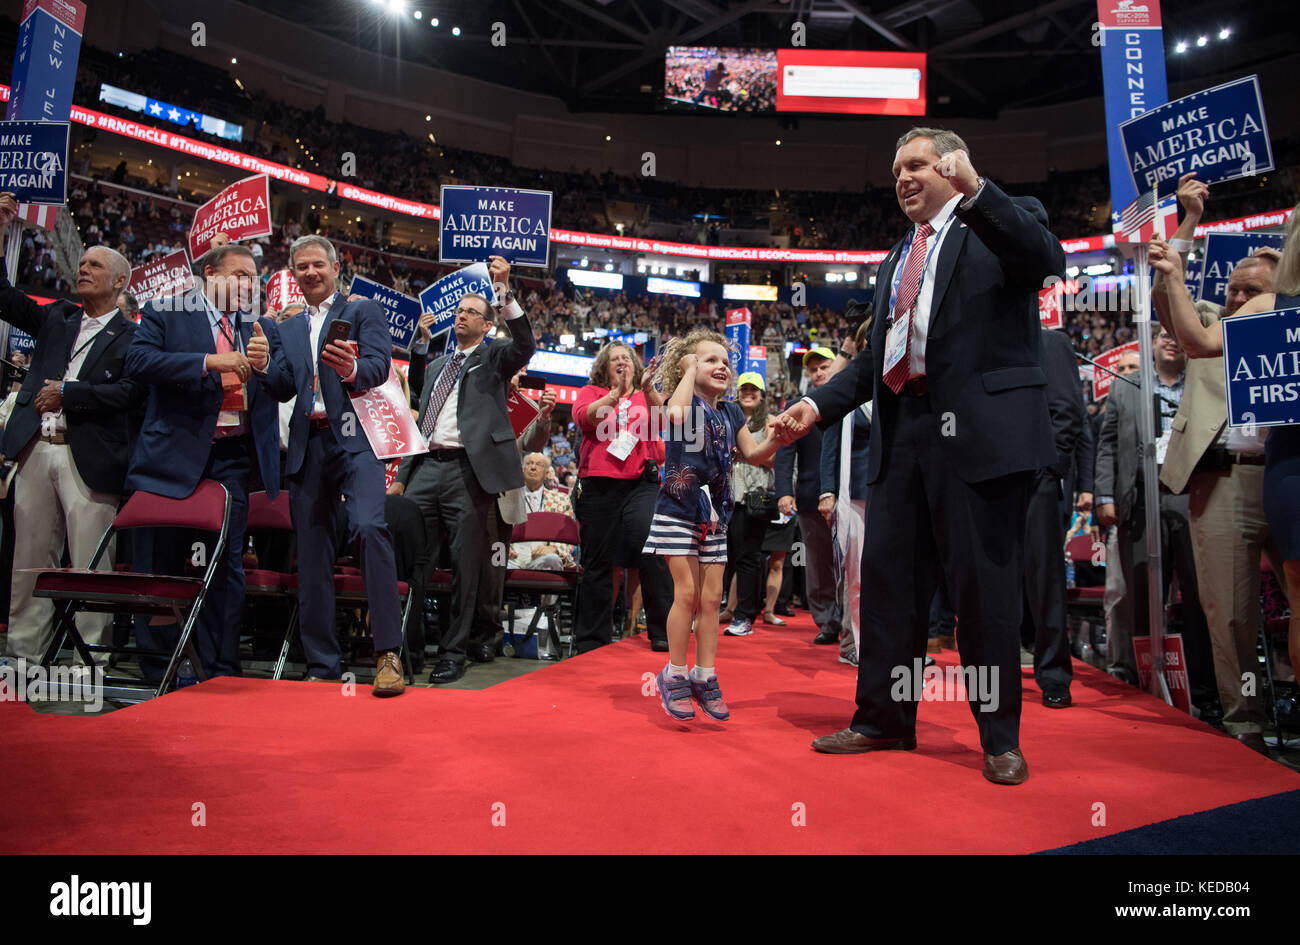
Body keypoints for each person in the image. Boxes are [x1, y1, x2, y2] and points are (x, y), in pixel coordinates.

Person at [777, 127, 1064, 785]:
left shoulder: (1000, 219)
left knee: (984, 594)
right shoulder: (896, 256)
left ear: (953, 165)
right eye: (896, 169)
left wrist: (976, 191)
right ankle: (883, 717)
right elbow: (880, 359)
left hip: (980, 436)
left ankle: (999, 738)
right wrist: (820, 404)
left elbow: (1045, 259)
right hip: (903, 433)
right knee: (890, 587)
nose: (902, 177)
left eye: (916, 165)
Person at [1151, 202, 1300, 754]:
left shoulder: (1289, 321)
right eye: (1234, 291)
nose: (1238, 301)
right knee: (1230, 612)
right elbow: (1168, 303)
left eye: (1251, 292)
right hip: (1226, 480)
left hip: (1289, 472)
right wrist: (1185, 229)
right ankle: (1246, 719)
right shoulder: (1211, 326)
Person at [126, 243, 294, 682]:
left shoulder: (261, 327)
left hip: (232, 459)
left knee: (226, 564)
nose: (247, 284)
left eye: (252, 277)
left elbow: (286, 385)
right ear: (209, 273)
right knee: (164, 561)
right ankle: (162, 666)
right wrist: (207, 362)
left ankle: (220, 666)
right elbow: (139, 361)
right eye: (238, 275)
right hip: (173, 454)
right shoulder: (166, 310)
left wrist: (264, 366)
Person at [0, 194, 144, 664]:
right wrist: (0, 232)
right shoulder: (57, 318)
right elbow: (2, 296)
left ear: (120, 281)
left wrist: (70, 392)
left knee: (90, 564)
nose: (83, 269)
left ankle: (92, 660)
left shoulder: (135, 336)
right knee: (29, 561)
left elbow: (130, 394)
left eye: (95, 265)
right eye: (81, 263)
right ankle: (23, 656)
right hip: (36, 448)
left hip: (91, 457)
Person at [392, 256, 534, 684]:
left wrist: (505, 291)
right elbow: (421, 418)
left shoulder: (494, 358)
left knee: (465, 569)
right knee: (414, 565)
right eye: (459, 311)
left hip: (467, 475)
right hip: (424, 470)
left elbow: (525, 345)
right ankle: (406, 648)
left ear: (488, 324)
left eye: (472, 311)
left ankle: (453, 652)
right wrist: (401, 477)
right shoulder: (437, 364)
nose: (461, 316)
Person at [276, 235, 406, 696]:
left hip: (357, 441)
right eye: (302, 267)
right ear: (294, 274)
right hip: (307, 446)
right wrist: (258, 366)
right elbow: (279, 385)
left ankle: (388, 654)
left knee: (371, 529)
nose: (310, 272)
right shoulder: (286, 329)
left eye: (318, 264)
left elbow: (377, 367)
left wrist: (351, 370)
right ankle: (321, 662)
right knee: (311, 554)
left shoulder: (361, 311)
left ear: (336, 267)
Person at [644, 331, 779, 721]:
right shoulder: (680, 401)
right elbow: (676, 417)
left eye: (725, 361)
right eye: (709, 360)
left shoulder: (733, 412)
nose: (721, 366)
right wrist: (685, 369)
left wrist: (776, 438)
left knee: (710, 600)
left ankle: (705, 675)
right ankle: (675, 674)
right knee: (686, 593)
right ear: (688, 366)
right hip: (676, 510)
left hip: (715, 515)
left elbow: (753, 454)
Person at [570, 342, 671, 654]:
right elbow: (585, 419)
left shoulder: (645, 394)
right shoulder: (591, 391)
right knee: (597, 560)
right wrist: (615, 394)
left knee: (649, 542)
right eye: (614, 358)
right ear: (604, 366)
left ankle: (662, 630)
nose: (622, 362)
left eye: (626, 357)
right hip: (599, 483)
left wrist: (646, 390)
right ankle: (591, 639)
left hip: (642, 482)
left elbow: (664, 422)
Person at [1022, 325, 1087, 707]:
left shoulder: (1048, 341)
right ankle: (994, 672)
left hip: (1036, 478)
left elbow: (1067, 408)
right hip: (985, 477)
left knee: (1044, 580)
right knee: (990, 581)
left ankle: (1054, 675)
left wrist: (1051, 470)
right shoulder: (979, 337)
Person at [775, 346, 844, 648]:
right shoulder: (796, 406)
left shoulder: (853, 402)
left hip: (853, 494)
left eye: (823, 367)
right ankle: (828, 622)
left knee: (852, 563)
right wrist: (783, 492)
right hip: (810, 498)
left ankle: (855, 621)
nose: (818, 373)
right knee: (818, 563)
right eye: (813, 369)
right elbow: (783, 453)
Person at [818, 320, 873, 666]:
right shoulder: (850, 386)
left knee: (891, 573)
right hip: (853, 492)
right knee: (857, 573)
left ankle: (892, 645)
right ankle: (855, 644)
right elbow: (829, 443)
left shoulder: (899, 382)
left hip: (895, 492)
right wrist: (827, 491)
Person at [720, 371, 777, 637]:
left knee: (748, 559)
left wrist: (743, 453)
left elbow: (774, 458)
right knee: (729, 558)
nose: (748, 393)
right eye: (744, 389)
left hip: (754, 498)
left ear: (762, 394)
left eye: (754, 390)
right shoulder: (728, 418)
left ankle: (744, 616)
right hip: (728, 497)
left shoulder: (769, 422)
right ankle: (731, 610)